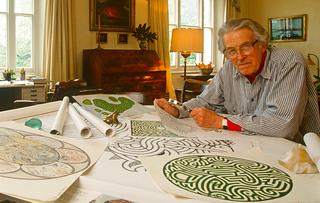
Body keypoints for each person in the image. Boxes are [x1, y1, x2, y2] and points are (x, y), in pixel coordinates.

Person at [157, 18, 320, 143]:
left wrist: (222, 121)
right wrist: (179, 110)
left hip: (294, 155)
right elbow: (206, 101)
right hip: (248, 145)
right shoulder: (229, 67)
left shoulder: (289, 62)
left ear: (262, 45)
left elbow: (282, 125)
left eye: (246, 46)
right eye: (231, 51)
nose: (240, 57)